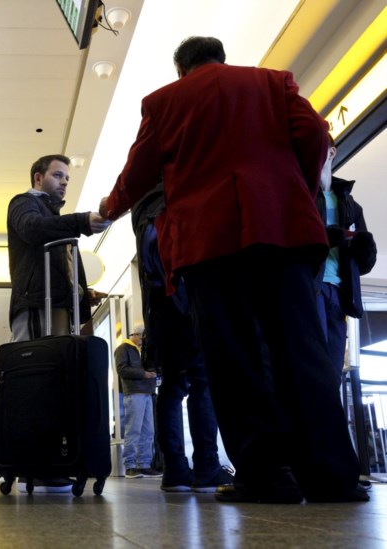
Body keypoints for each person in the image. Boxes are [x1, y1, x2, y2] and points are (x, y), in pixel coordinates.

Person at [100, 37, 365, 503]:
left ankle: (266, 477)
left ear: (182, 69)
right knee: (302, 353)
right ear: (220, 58)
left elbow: (138, 173)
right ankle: (333, 477)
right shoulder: (272, 81)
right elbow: (314, 137)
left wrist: (109, 207)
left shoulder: (165, 101)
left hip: (211, 244)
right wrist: (292, 191)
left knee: (234, 360)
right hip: (283, 235)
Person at [132, 187, 233, 492]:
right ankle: (206, 465)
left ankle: (175, 469)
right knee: (202, 384)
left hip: (161, 310)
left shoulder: (142, 208)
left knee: (172, 389)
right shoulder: (179, 197)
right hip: (189, 305)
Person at [7, 154, 109, 341]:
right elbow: (31, 228)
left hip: (55, 305)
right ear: (38, 178)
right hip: (36, 304)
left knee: (53, 364)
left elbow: (59, 268)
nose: (64, 182)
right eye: (57, 175)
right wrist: (81, 221)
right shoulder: (23, 202)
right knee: (36, 363)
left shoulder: (53, 218)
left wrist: (81, 293)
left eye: (67, 178)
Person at [315, 134, 377, 384]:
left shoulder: (351, 206)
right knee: (314, 365)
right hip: (313, 288)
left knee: (331, 374)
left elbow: (364, 265)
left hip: (342, 294)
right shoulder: (301, 199)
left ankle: (331, 422)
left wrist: (365, 249)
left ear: (331, 152)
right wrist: (323, 240)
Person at [114, 325, 160, 479]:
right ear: (134, 334)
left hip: (147, 391)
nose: (142, 340)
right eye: (141, 337)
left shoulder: (142, 350)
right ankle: (130, 465)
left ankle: (144, 464)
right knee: (133, 430)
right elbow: (122, 369)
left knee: (148, 431)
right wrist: (144, 374)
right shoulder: (123, 348)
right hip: (134, 392)